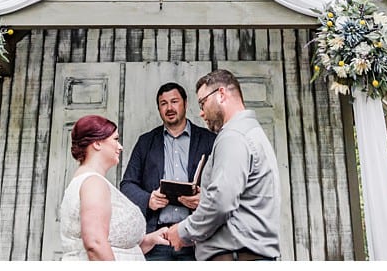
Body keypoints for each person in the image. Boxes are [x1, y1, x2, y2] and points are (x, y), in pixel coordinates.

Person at [165, 70, 281, 261]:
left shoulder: (233, 136)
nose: (201, 112)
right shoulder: (251, 132)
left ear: (221, 94)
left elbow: (221, 202)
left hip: (234, 257)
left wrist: (183, 231)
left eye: (202, 103)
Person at [120, 82, 217, 261]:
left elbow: (224, 186)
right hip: (157, 239)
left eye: (174, 101)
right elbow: (127, 184)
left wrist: (204, 199)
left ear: (185, 104)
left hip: (197, 239)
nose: (169, 108)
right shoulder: (146, 142)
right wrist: (148, 199)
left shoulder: (209, 140)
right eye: (163, 103)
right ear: (159, 108)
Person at [59, 115, 170, 261]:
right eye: (115, 139)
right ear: (97, 143)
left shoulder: (92, 181)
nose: (120, 146)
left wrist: (149, 240)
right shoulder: (93, 183)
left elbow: (114, 246)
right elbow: (95, 244)